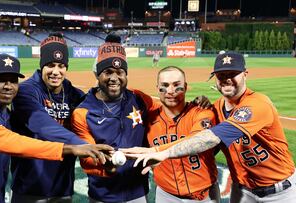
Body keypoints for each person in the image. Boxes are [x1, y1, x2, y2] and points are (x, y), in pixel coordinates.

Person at [0, 54, 113, 203]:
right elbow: (11, 141)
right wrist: (70, 147)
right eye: (0, 80)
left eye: (13, 81)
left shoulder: (4, 113)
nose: (8, 86)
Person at [124, 51, 296, 203]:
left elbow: (209, 138)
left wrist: (159, 152)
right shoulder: (215, 109)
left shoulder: (257, 104)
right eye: (221, 75)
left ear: (245, 74)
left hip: (280, 191)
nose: (227, 79)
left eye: (233, 73)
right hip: (242, 189)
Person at [71, 38, 160, 203]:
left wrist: (196, 103)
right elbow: (86, 157)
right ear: (98, 74)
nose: (114, 78)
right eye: (108, 72)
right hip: (103, 195)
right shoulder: (83, 112)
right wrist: (106, 166)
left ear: (125, 75)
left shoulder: (139, 98)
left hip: (137, 191)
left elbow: (165, 113)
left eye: (119, 73)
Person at [10, 33, 89, 203]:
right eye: (50, 65)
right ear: (42, 66)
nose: (56, 72)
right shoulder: (25, 91)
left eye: (61, 66)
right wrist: (82, 145)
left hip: (62, 185)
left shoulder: (75, 95)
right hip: (30, 185)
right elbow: (41, 125)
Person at [135, 66, 220, 202]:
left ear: (185, 87)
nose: (171, 91)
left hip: (205, 196)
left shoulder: (203, 113)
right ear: (157, 88)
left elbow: (198, 140)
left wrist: (156, 151)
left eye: (177, 85)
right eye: (165, 85)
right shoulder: (149, 118)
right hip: (165, 195)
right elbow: (125, 93)